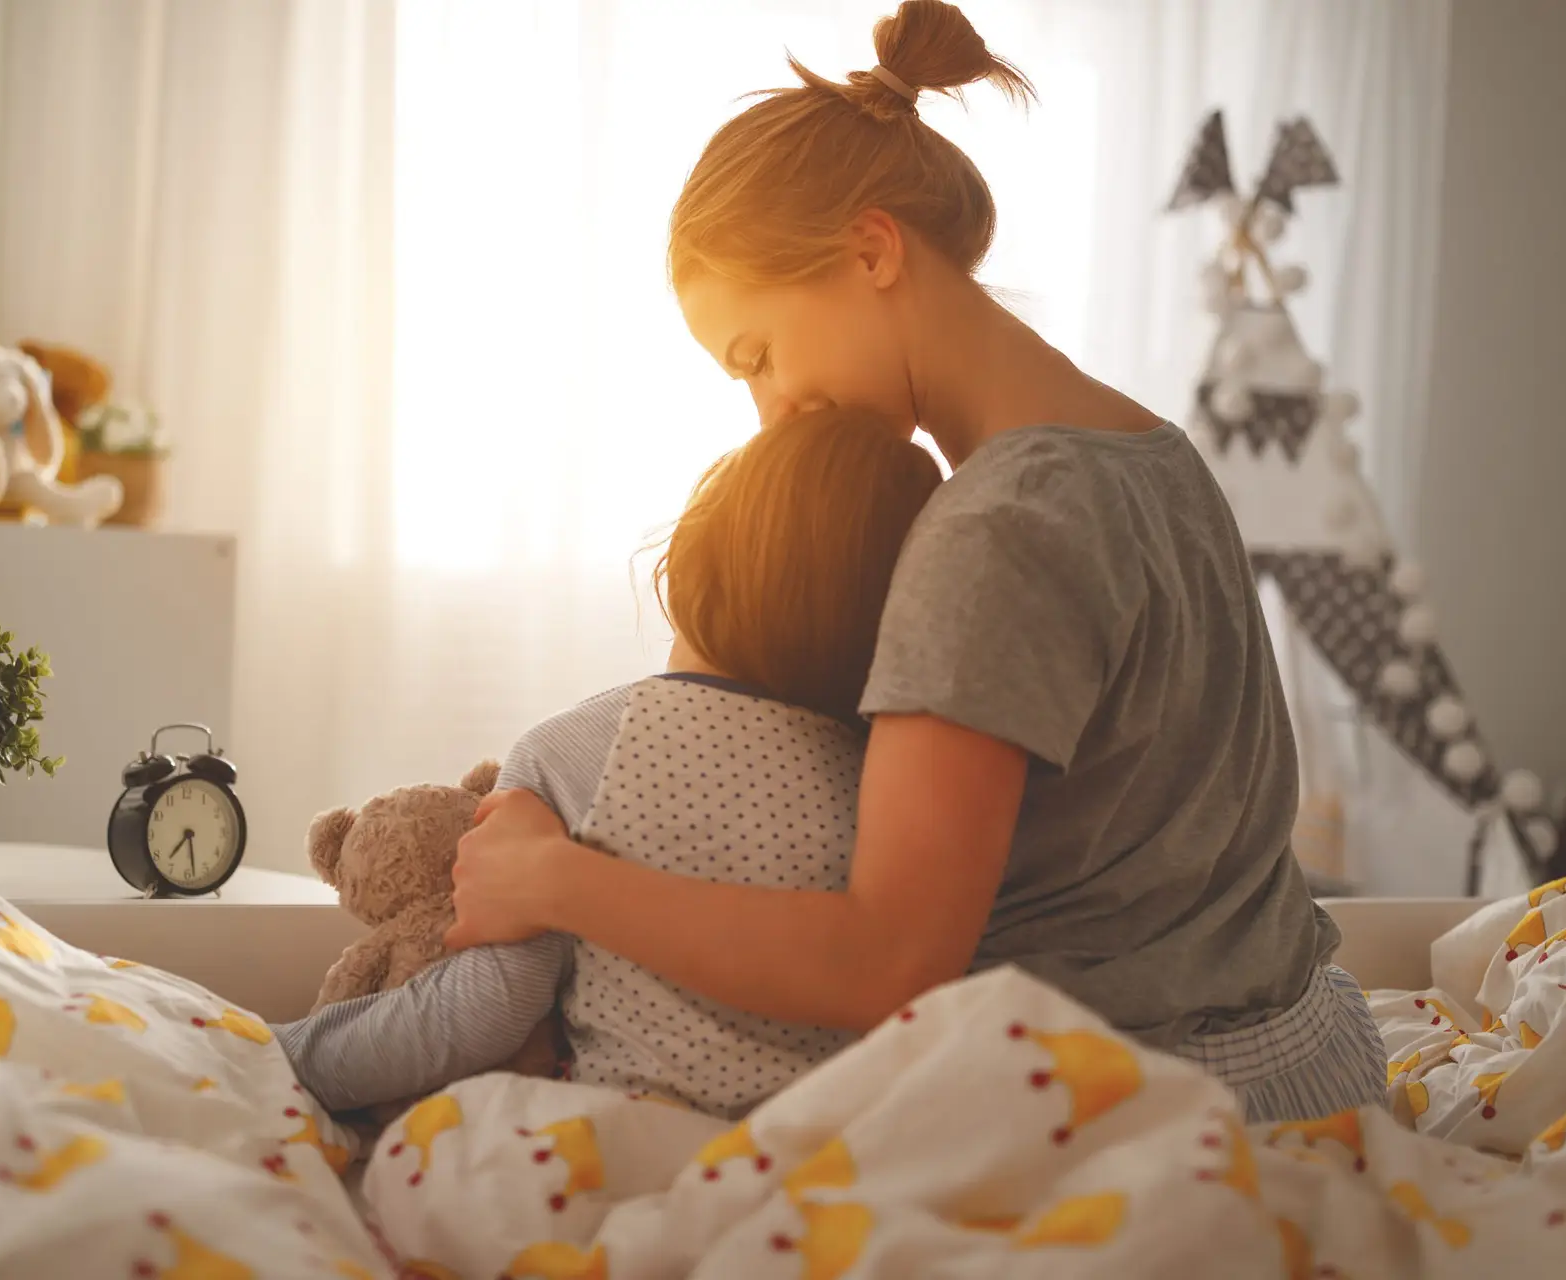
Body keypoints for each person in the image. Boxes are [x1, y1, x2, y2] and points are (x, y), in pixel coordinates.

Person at [443, 0, 1387, 1124]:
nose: (768, 409)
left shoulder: (994, 529)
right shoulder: (1147, 446)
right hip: (1314, 1047)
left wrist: (557, 878)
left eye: (759, 353)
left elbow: (886, 964)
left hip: (1143, 1100)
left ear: (871, 249)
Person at [275, 408, 942, 1117]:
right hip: (823, 1154)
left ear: (690, 553)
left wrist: (285, 1058)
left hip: (626, 1139)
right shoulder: (891, 776)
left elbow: (485, 1009)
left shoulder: (574, 751)